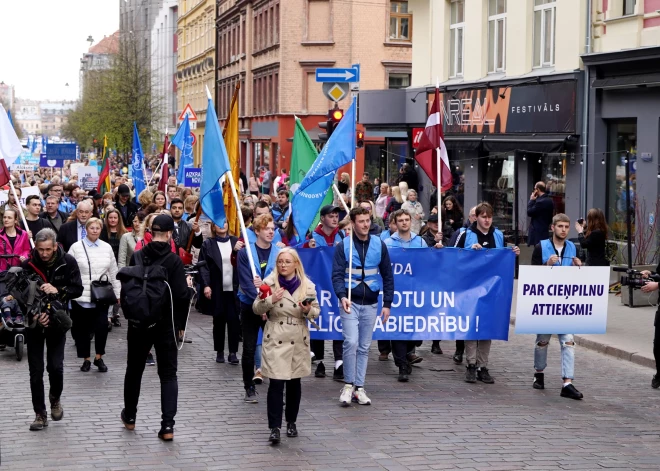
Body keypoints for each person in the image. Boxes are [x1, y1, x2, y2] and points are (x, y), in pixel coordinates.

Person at [121, 214, 194, 441]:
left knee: (134, 370)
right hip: (165, 324)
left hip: (139, 323)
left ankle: (130, 416)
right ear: (170, 233)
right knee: (168, 375)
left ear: (151, 232)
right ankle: (167, 426)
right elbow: (181, 296)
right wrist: (180, 324)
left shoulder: (138, 255)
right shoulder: (173, 261)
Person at [252, 248, 319, 444]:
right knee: (275, 383)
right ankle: (274, 427)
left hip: (297, 335)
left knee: (294, 383)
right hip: (276, 335)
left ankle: (291, 422)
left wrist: (308, 310)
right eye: (280, 261)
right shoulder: (269, 283)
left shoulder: (308, 286)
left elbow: (316, 311)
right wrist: (272, 299)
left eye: (288, 261)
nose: (283, 265)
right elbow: (256, 308)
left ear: (296, 264)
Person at [23, 228, 83, 431]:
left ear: (55, 246)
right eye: (40, 249)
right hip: (35, 323)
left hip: (58, 321)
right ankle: (39, 414)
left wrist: (59, 291)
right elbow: (20, 295)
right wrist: (34, 314)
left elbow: (77, 289)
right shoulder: (28, 264)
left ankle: (55, 398)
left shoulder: (67, 261)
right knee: (36, 371)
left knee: (55, 367)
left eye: (48, 249)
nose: (44, 253)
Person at [332, 207, 394, 405]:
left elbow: (387, 275)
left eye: (368, 220)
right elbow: (337, 275)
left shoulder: (379, 244)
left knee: (365, 347)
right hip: (350, 301)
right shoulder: (344, 246)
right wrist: (342, 296)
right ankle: (348, 385)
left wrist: (387, 304)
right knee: (351, 342)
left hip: (371, 302)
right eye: (361, 221)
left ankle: (359, 387)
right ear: (353, 223)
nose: (366, 224)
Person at [453, 202, 520, 384]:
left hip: (492, 289)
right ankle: (471, 365)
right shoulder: (466, 234)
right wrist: (469, 251)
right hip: (470, 287)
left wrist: (513, 252)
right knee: (471, 327)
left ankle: (483, 366)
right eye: (483, 216)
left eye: (489, 217)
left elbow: (502, 255)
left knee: (487, 327)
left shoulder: (497, 234)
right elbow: (453, 256)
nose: (487, 220)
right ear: (476, 217)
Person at [530, 213, 584, 400]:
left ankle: (567, 383)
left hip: (565, 303)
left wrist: (579, 267)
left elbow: (577, 279)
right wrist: (546, 264)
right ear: (553, 228)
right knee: (542, 341)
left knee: (568, 341)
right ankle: (539, 373)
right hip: (546, 302)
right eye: (560, 226)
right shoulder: (541, 246)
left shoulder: (572, 248)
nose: (563, 230)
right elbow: (531, 275)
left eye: (566, 227)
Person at [237, 214, 281, 403]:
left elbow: (282, 279)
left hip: (272, 307)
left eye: (273, 228)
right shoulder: (245, 252)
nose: (271, 231)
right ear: (257, 231)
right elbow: (246, 282)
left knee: (276, 347)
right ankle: (249, 387)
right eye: (267, 228)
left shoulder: (278, 253)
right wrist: (260, 302)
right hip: (250, 305)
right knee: (249, 347)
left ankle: (278, 385)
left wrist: (267, 301)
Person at [68, 218, 121, 373]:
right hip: (81, 295)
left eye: (98, 228)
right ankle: (86, 359)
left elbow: (113, 270)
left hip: (101, 295)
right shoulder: (76, 247)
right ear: (86, 229)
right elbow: (69, 270)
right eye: (92, 228)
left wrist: (118, 293)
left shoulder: (107, 247)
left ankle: (99, 357)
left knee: (101, 328)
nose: (95, 230)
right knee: (82, 330)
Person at [383, 209, 427, 381]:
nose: (403, 222)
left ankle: (408, 353)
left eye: (406, 219)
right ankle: (401, 364)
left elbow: (429, 264)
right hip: (396, 293)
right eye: (400, 220)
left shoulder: (421, 242)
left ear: (410, 221)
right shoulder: (387, 243)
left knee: (413, 330)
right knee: (397, 329)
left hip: (415, 293)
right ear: (395, 222)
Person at [303, 205, 346, 381]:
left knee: (338, 321)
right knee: (318, 321)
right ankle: (319, 362)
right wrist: (308, 248)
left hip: (336, 286)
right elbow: (304, 260)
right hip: (318, 287)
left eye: (336, 216)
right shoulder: (313, 236)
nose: (335, 219)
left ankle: (339, 362)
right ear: (322, 219)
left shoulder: (342, 236)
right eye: (331, 216)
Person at [199, 222, 243, 364]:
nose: (222, 225)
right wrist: (206, 285)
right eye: (217, 223)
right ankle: (219, 351)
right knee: (218, 320)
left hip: (234, 287)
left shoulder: (236, 241)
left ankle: (233, 352)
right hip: (217, 286)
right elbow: (204, 266)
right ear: (213, 227)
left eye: (224, 222)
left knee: (234, 320)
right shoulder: (208, 244)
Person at [527, 181, 554, 247]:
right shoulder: (549, 200)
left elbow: (529, 212)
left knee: (538, 252)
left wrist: (531, 200)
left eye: (534, 189)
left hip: (538, 231)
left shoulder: (540, 202)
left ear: (537, 189)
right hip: (545, 229)